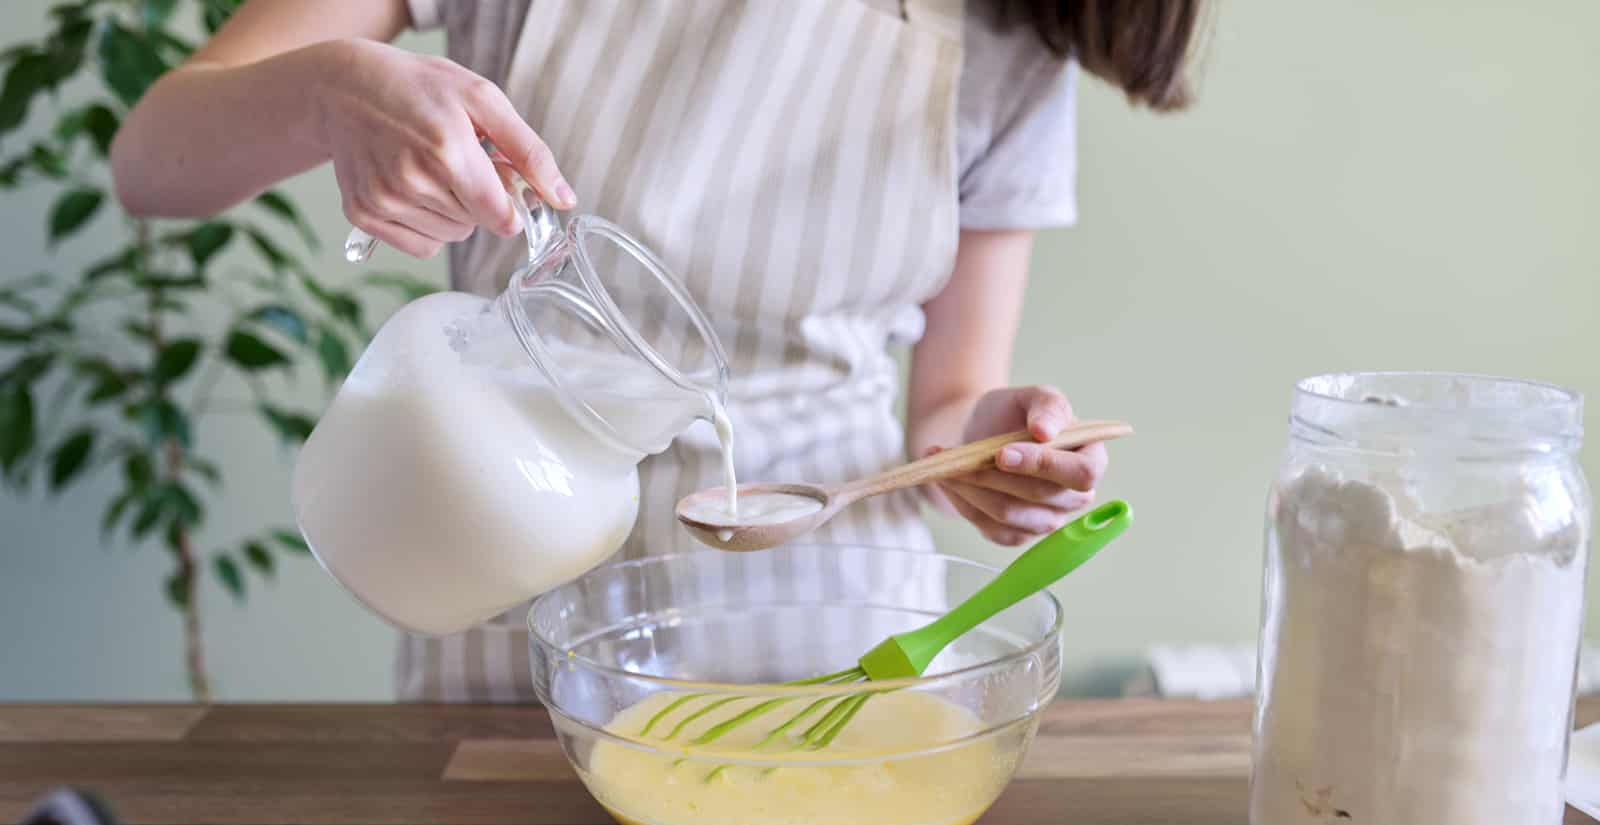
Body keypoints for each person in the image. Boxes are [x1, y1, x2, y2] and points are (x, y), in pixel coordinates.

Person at [111, 0, 1206, 700]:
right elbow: (152, 161)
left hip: (831, 636)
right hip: (505, 594)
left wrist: (982, 448)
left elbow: (949, 395)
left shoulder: (1012, 34)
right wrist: (323, 88)